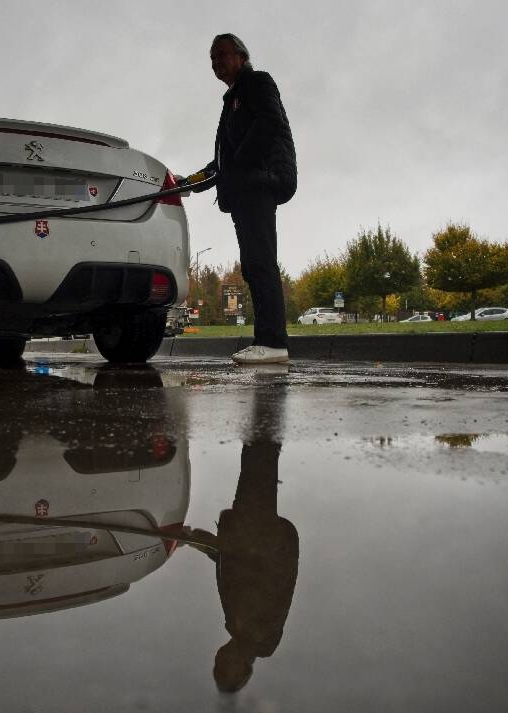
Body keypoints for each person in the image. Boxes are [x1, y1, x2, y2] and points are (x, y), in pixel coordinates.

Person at [185, 34, 297, 365]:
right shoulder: (231, 99)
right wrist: (187, 183)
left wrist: (241, 164)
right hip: (244, 188)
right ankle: (267, 342)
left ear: (241, 55)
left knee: (260, 262)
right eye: (211, 58)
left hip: (259, 184)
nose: (215, 62)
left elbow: (269, 123)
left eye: (221, 54)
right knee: (253, 264)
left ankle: (273, 342)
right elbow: (222, 162)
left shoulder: (256, 83)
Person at [185, 385, 299, 692]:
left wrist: (198, 541)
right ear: (244, 668)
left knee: (255, 461)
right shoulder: (259, 632)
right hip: (257, 528)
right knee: (259, 461)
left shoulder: (241, 628)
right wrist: (219, 544)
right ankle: (267, 405)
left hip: (251, 529)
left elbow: (232, 564)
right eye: (223, 666)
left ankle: (265, 410)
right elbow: (260, 566)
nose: (217, 658)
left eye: (216, 665)